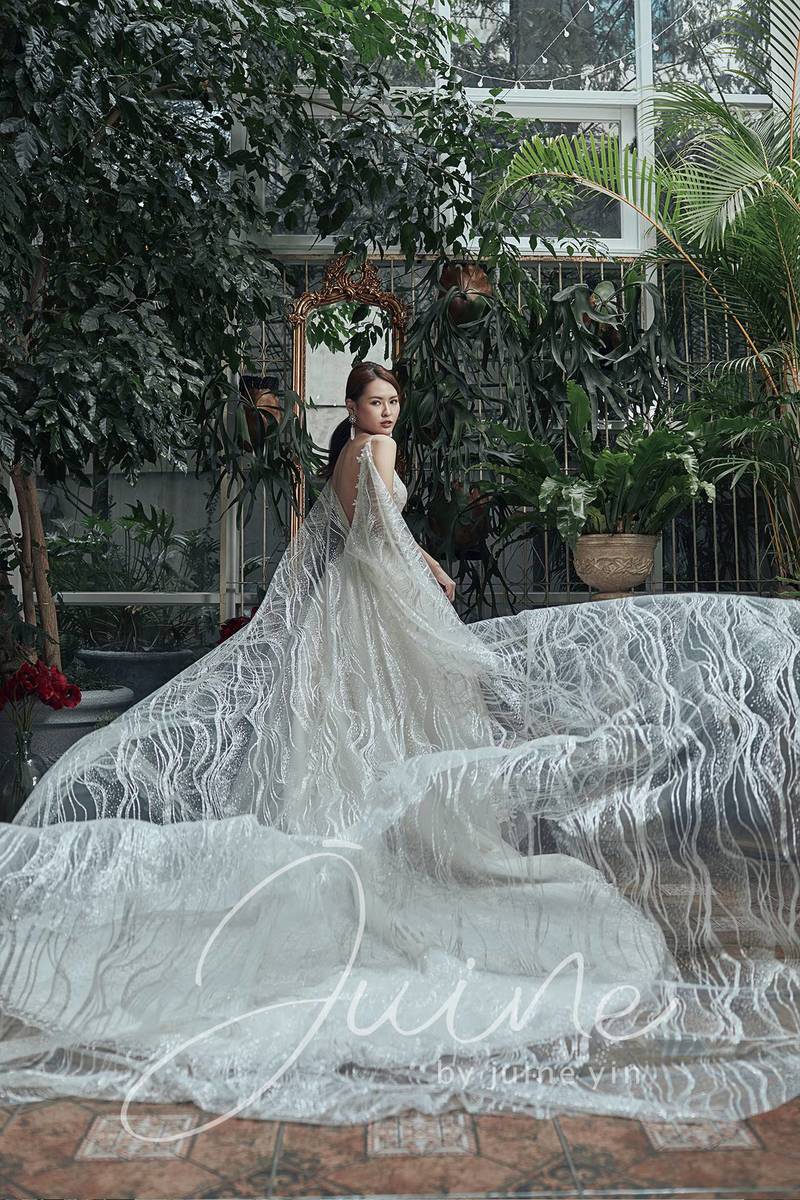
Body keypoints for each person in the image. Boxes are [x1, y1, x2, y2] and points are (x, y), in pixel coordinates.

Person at [0, 359, 799, 1134]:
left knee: (351, 736)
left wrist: (424, 562)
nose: (386, 413)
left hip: (344, 611)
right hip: (374, 610)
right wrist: (425, 592)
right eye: (374, 401)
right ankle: (382, 868)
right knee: (395, 725)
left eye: (391, 402)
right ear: (352, 408)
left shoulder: (348, 456)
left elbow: (372, 532)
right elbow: (377, 538)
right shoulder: (375, 450)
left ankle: (342, 860)